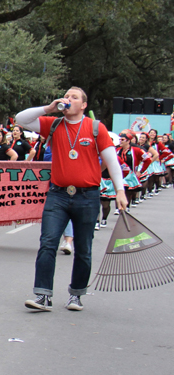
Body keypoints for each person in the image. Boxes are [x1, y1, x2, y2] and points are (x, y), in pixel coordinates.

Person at [15, 88, 127, 312]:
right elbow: (21, 119)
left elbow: (112, 161)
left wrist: (120, 190)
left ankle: (76, 295)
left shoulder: (96, 128)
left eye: (74, 97)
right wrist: (48, 109)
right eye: (66, 96)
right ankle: (42, 296)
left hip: (88, 196)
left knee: (84, 248)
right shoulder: (54, 124)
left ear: (84, 105)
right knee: (48, 243)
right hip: (58, 194)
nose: (68, 100)